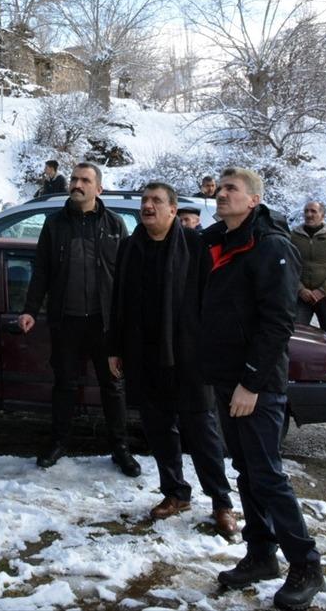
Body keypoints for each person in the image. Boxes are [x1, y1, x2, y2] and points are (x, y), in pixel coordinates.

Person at [201, 167, 324, 610]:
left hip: (256, 384)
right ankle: (260, 555)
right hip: (225, 377)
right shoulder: (219, 241)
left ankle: (306, 564)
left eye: (232, 189)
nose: (222, 193)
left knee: (268, 476)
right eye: (220, 187)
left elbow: (277, 323)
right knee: (248, 473)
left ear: (254, 200)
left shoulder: (271, 247)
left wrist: (250, 383)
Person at [107, 183, 237, 539]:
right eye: (145, 201)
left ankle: (221, 502)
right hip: (144, 354)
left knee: (202, 431)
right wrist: (115, 347)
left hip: (190, 355)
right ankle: (175, 492)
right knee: (158, 428)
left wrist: (212, 347)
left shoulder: (196, 247)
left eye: (156, 201)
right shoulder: (130, 247)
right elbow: (118, 300)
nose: (148, 206)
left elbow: (213, 302)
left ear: (172, 210)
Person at [18, 162, 138, 477]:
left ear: (98, 189)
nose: (76, 184)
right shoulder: (55, 224)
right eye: (73, 178)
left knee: (113, 386)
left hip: (104, 323)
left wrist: (128, 319)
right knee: (64, 385)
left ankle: (120, 448)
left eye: (84, 180)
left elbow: (126, 277)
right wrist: (30, 309)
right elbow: (41, 270)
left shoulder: (114, 225)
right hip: (66, 320)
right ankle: (58, 443)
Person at [289, 201, 326, 333]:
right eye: (306, 211)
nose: (309, 214)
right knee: (296, 333)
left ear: (322, 215)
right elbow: (289, 266)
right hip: (301, 296)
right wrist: (300, 289)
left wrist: (323, 290)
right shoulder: (293, 236)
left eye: (313, 211)